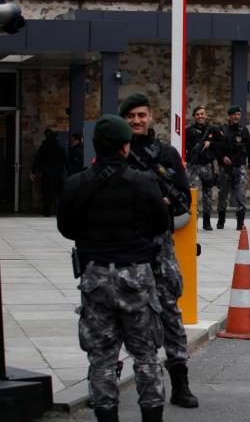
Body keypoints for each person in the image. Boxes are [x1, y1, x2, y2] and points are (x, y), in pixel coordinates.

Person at [57, 114, 169, 422]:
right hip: (136, 274)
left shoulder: (76, 184)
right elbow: (162, 223)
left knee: (102, 359)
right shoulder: (143, 181)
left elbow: (66, 227)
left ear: (95, 145)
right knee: (146, 355)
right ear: (124, 147)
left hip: (95, 276)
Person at [119, 93, 199, 409]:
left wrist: (159, 203)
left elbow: (182, 201)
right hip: (126, 249)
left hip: (160, 249)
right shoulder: (115, 154)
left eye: (142, 115)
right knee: (122, 317)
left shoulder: (166, 154)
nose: (137, 121)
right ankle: (115, 384)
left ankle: (180, 384)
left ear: (151, 117)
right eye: (131, 116)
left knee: (170, 316)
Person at [215, 104, 250, 231]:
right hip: (225, 168)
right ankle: (221, 219)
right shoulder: (222, 129)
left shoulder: (243, 131)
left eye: (238, 114)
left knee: (240, 195)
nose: (236, 116)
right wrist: (222, 158)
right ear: (229, 116)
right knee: (223, 194)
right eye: (234, 114)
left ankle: (240, 222)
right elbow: (216, 147)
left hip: (239, 167)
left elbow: (249, 149)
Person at [185, 105, 221, 231]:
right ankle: (192, 222)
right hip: (193, 166)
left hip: (207, 166)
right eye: (198, 114)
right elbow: (184, 147)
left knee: (208, 195)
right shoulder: (188, 131)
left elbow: (223, 143)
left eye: (202, 114)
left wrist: (211, 143)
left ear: (205, 115)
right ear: (195, 116)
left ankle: (207, 222)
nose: (200, 116)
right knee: (193, 195)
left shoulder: (212, 129)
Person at [31, 128, 67, 216]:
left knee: (47, 193)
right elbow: (66, 161)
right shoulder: (60, 148)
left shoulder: (44, 147)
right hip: (58, 173)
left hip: (47, 173)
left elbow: (37, 160)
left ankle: (47, 212)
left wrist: (34, 171)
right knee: (59, 193)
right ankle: (61, 211)